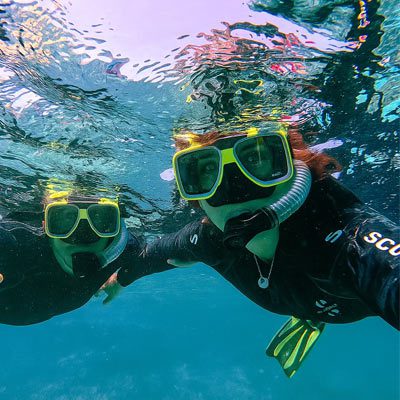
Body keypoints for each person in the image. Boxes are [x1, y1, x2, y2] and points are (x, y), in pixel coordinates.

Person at [108, 123, 399, 377]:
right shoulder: (209, 239)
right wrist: (122, 278)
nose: (233, 187)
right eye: (207, 168)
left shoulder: (351, 239)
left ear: (294, 169)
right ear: (194, 194)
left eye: (256, 158)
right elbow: (157, 252)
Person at [0, 191, 161, 325]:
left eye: (99, 218)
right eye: (65, 219)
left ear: (117, 227)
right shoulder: (16, 246)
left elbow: (178, 244)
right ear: (45, 226)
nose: (82, 235)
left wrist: (125, 276)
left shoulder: (126, 249)